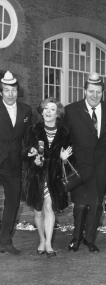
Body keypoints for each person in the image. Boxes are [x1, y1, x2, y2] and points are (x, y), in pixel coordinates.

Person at [64, 72, 106, 252]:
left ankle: (89, 239)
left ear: (103, 93)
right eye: (91, 91)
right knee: (79, 205)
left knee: (95, 205)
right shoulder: (71, 110)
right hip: (79, 167)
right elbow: (65, 139)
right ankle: (76, 238)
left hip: (100, 167)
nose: (95, 95)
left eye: (99, 92)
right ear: (84, 91)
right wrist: (65, 159)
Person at [23, 98, 72, 257]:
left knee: (49, 207)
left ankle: (49, 243)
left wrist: (64, 157)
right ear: (41, 111)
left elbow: (70, 154)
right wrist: (32, 156)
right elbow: (25, 151)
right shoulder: (33, 129)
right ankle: (42, 239)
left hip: (54, 175)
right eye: (45, 109)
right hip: (36, 175)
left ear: (57, 113)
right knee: (38, 211)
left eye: (52, 109)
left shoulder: (64, 132)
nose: (48, 112)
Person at [0, 71, 32, 255]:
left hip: (14, 164)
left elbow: (29, 137)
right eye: (6, 90)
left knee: (12, 203)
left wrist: (30, 151)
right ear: (1, 92)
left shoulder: (26, 110)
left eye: (13, 90)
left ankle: (5, 241)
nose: (10, 94)